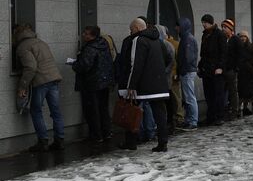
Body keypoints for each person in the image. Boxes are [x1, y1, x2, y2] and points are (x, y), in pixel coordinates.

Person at [123, 18, 172, 152]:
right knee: (160, 115)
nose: (131, 32)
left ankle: (131, 141)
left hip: (143, 84)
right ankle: (163, 143)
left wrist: (131, 85)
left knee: (132, 110)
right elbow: (168, 58)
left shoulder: (138, 40)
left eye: (132, 29)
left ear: (138, 28)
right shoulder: (158, 40)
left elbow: (136, 64)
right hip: (160, 84)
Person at [14, 24, 65, 152]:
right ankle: (60, 140)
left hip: (41, 81)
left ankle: (43, 142)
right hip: (53, 78)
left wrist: (22, 86)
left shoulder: (22, 47)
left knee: (36, 111)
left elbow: (31, 67)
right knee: (56, 111)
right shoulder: (41, 42)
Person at [71, 25, 114, 143]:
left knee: (92, 111)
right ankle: (106, 132)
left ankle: (96, 135)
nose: (83, 35)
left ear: (92, 36)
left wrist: (75, 65)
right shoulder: (103, 44)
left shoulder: (90, 48)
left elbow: (84, 65)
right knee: (103, 109)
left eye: (85, 33)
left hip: (92, 83)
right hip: (104, 82)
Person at [198, 14, 227, 126]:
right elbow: (203, 54)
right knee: (209, 94)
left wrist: (220, 67)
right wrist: (200, 66)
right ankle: (211, 116)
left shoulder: (219, 35)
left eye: (205, 22)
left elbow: (224, 53)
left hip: (216, 70)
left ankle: (219, 116)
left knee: (218, 94)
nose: (204, 25)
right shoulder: (205, 35)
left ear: (210, 22)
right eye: (203, 22)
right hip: (207, 69)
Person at [175, 17, 199, 131]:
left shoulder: (187, 39)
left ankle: (193, 121)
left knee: (189, 97)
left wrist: (182, 70)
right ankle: (190, 120)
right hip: (188, 70)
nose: (176, 28)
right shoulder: (187, 38)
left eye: (178, 26)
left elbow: (188, 57)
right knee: (189, 97)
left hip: (187, 71)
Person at [221, 18, 242, 120]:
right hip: (224, 69)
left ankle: (235, 110)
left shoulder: (235, 39)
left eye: (225, 27)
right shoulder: (223, 39)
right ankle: (225, 110)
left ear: (230, 28)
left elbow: (239, 55)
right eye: (223, 27)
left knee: (233, 91)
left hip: (232, 69)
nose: (223, 29)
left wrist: (236, 68)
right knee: (224, 91)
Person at [237, 30, 253, 116]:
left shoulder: (251, 47)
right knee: (241, 92)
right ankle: (239, 108)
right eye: (241, 36)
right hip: (242, 73)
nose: (242, 38)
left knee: (249, 92)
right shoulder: (239, 47)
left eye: (244, 36)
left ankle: (246, 108)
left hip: (249, 73)